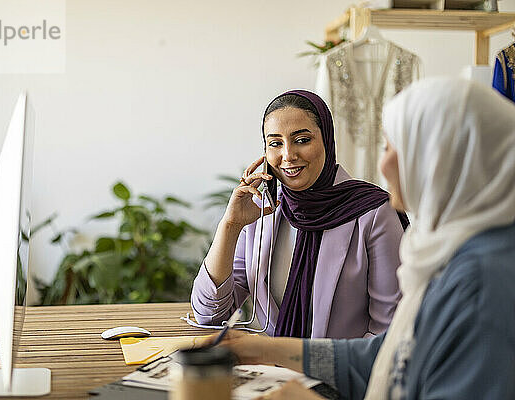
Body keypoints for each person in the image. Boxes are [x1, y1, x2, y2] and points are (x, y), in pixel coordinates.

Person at [219, 78, 515, 399]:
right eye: (274, 142)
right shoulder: (450, 251)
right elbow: (391, 353)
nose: (383, 163)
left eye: (397, 148)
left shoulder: (482, 281)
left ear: (453, 160)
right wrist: (264, 348)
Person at [191, 90, 407, 339]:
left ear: (326, 140)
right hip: (270, 373)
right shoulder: (261, 212)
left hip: (344, 375)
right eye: (275, 143)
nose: (288, 155)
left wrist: (320, 371)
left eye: (302, 140)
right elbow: (210, 314)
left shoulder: (374, 213)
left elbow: (389, 333)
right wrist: (231, 225)